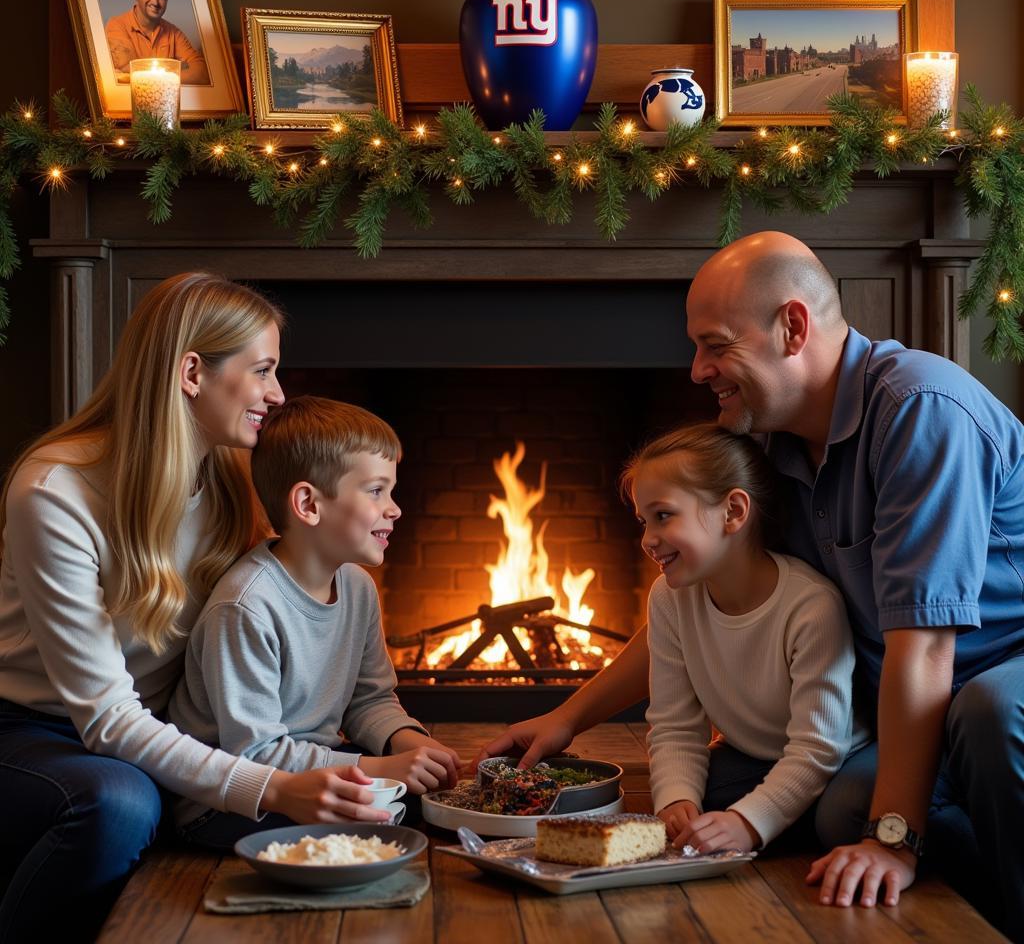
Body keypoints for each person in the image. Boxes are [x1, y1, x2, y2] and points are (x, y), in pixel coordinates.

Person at [479, 230, 1024, 939]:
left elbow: (924, 648)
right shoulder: (769, 440)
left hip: (997, 671)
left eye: (715, 344)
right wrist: (568, 717)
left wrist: (893, 837)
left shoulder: (922, 411)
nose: (698, 370)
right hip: (896, 694)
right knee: (828, 811)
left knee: (986, 716)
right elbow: (687, 603)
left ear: (792, 327)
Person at [0, 273, 392, 942]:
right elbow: (107, 718)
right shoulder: (55, 494)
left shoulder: (231, 473)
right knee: (121, 804)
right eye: (263, 370)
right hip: (42, 730)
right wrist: (271, 784)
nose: (277, 393)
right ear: (191, 372)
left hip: (166, 722)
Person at [169, 395, 462, 848]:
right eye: (376, 491)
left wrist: (409, 745)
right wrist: (377, 771)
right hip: (232, 800)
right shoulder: (246, 607)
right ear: (308, 503)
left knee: (431, 803)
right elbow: (255, 754)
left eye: (392, 491)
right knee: (387, 820)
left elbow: (368, 700)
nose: (394, 508)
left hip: (312, 767)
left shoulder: (358, 588)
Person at [623, 422, 865, 854]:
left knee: (841, 817)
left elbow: (817, 748)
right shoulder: (669, 599)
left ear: (733, 511)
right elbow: (676, 725)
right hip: (754, 756)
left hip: (840, 755)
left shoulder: (811, 607)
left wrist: (748, 823)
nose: (647, 539)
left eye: (663, 516)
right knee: (696, 797)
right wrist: (677, 798)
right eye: (644, 521)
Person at [105, 0, 208, 84]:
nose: (155, 2)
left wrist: (151, 77)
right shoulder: (117, 25)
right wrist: (174, 68)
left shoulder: (174, 32)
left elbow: (202, 73)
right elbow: (124, 71)